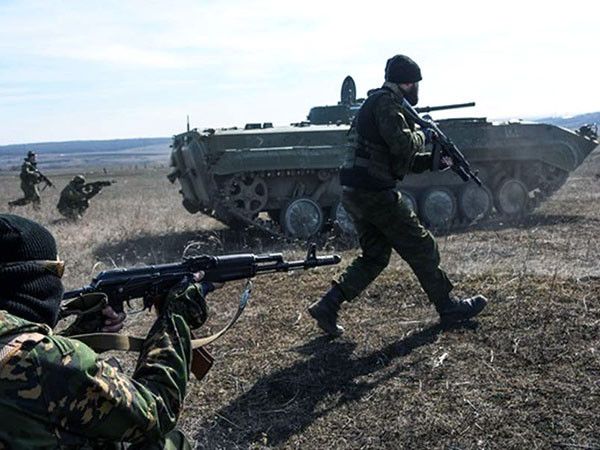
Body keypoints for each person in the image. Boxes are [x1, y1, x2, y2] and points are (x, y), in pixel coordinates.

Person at [0, 213, 216, 448]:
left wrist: (83, 332)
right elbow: (156, 411)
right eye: (58, 269)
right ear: (29, 277)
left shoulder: (29, 354)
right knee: (167, 443)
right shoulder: (49, 359)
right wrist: (176, 314)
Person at [309, 55, 487, 336]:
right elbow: (404, 144)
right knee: (422, 246)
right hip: (374, 193)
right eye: (415, 83)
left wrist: (433, 162)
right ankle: (447, 307)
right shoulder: (386, 105)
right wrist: (424, 134)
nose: (417, 89)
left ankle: (327, 305)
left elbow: (396, 160)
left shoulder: (382, 105)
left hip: (357, 191)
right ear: (407, 83)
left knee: (375, 256)